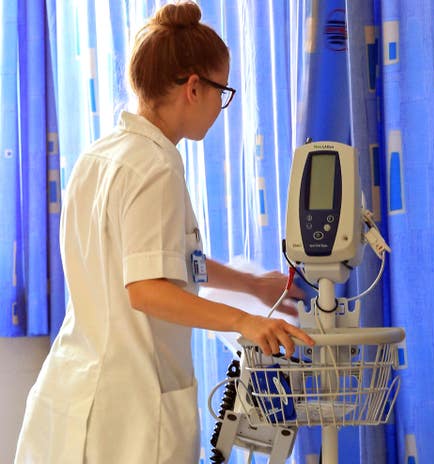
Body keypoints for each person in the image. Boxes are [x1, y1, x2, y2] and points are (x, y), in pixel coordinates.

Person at [14, 2, 314, 463]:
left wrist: (251, 286)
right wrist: (244, 321)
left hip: (71, 395)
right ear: (194, 87)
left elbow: (163, 258)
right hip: (127, 415)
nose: (221, 106)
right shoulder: (155, 168)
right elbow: (147, 290)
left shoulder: (101, 155)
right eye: (222, 92)